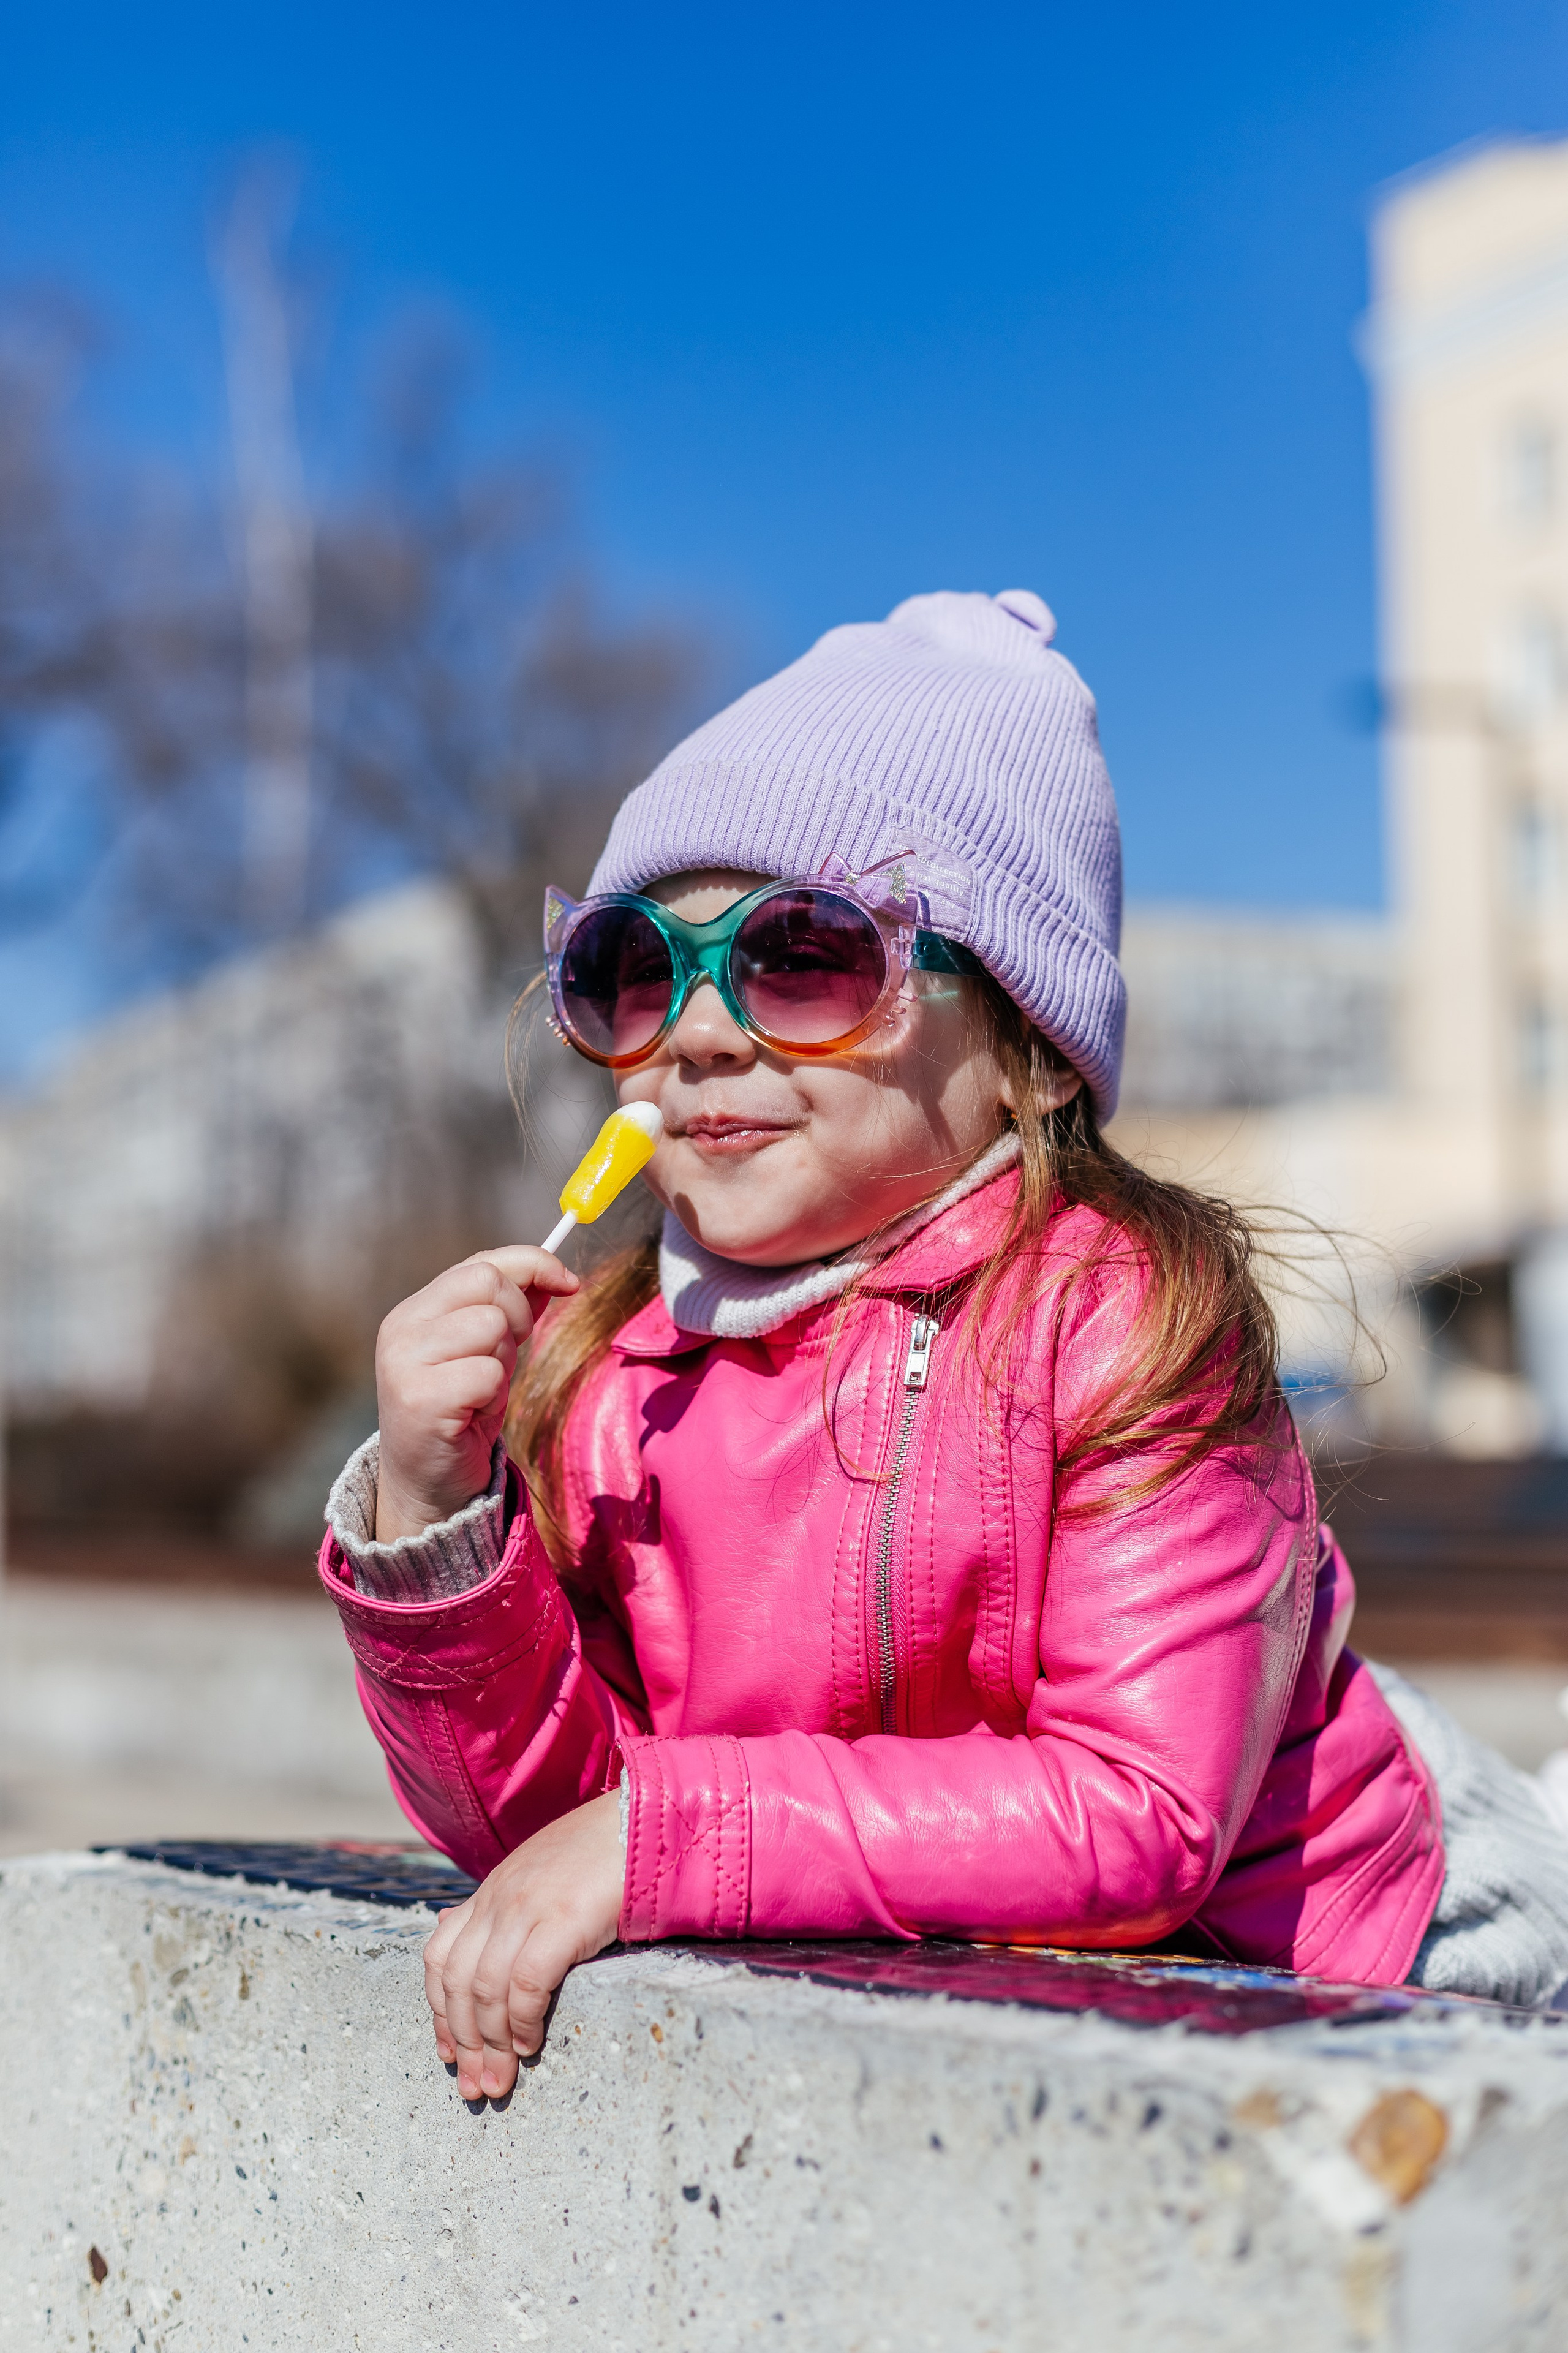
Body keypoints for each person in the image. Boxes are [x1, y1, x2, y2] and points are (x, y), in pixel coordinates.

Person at [322, 589, 1568, 2105]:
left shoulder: (1124, 1315)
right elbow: (546, 1829)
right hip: (1007, 1979)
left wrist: (671, 1839)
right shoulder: (600, 1377)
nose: (700, 1034)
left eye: (802, 954)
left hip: (1382, 1946)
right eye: (635, 969)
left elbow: (1137, 1815)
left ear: (1028, 1054)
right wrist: (433, 1522)